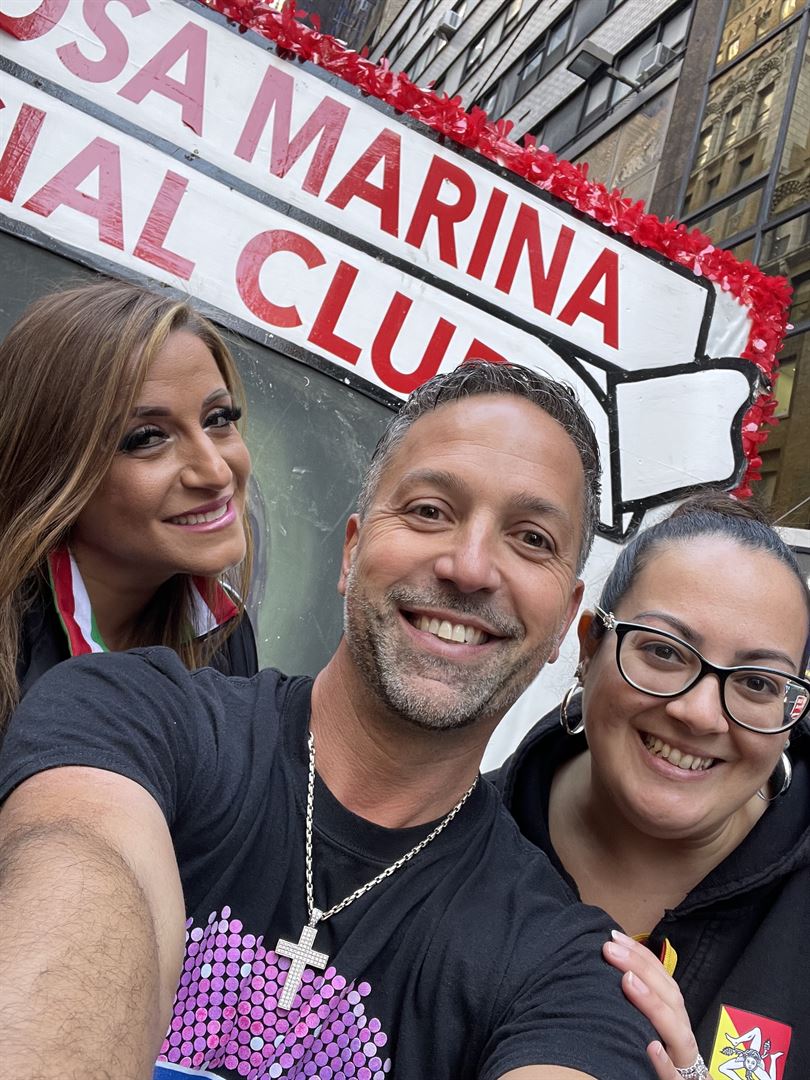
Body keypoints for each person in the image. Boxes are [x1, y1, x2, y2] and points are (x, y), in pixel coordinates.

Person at [0, 361, 659, 1080]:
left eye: (531, 539)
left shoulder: (568, 969)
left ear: (566, 621)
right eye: (429, 511)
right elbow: (79, 857)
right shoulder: (130, 719)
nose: (470, 568)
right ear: (351, 551)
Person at [497, 492, 810, 1080]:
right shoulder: (450, 843)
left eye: (757, 683)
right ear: (589, 647)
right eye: (664, 652)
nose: (700, 714)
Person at [0, 278, 257, 731]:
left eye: (218, 419)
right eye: (148, 438)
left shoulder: (226, 637)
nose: (217, 472)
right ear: (54, 470)